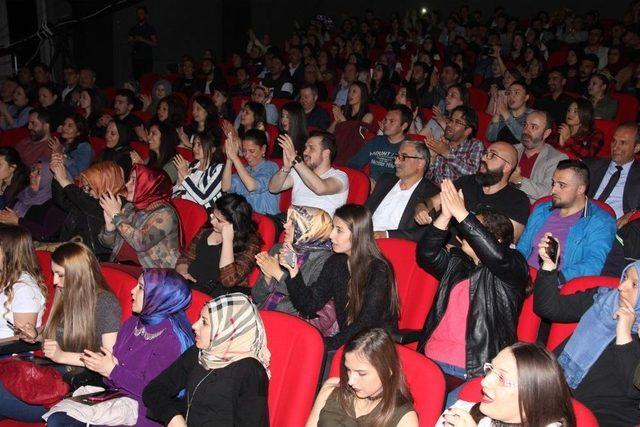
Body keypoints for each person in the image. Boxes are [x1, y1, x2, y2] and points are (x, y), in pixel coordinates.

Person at [416, 180, 528, 399]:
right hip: (430, 358)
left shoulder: (513, 265)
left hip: (471, 369)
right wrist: (446, 215)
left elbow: (496, 256)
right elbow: (426, 254)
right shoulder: (459, 262)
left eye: (472, 228)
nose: (463, 232)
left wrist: (462, 212)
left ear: (493, 239)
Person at [45, 269, 194, 427]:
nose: (133, 291)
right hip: (114, 397)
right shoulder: (133, 322)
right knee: (58, 415)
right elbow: (113, 371)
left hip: (142, 412)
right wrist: (105, 366)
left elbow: (154, 392)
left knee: (60, 422)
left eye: (141, 288)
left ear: (159, 297)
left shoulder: (170, 340)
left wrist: (112, 370)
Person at [0, 242, 121, 422]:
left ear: (79, 274)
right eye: (54, 273)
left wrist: (62, 356)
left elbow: (108, 360)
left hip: (72, 389)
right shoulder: (66, 294)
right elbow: (57, 330)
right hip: (49, 375)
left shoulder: (105, 303)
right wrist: (36, 334)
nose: (55, 281)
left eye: (60, 275)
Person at [534, 248, 640, 425]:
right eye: (625, 278)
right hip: (556, 393)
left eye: (634, 284)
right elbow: (549, 307)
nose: (621, 287)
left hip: (602, 416)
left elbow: (633, 389)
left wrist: (624, 336)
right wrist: (549, 266)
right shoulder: (604, 300)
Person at [142, 292, 270, 426]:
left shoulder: (251, 371)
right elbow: (153, 390)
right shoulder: (199, 353)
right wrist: (173, 417)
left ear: (227, 329)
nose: (194, 326)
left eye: (204, 322)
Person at [284, 204, 399, 350]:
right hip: (348, 341)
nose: (331, 235)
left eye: (339, 230)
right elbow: (310, 305)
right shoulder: (336, 262)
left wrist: (329, 344)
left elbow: (367, 322)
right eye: (333, 228)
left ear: (357, 234)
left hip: (376, 346)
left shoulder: (378, 269)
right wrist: (294, 272)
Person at [517, 160, 617, 281]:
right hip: (522, 279)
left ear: (580, 189)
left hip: (558, 287)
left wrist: (554, 279)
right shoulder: (542, 209)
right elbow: (522, 247)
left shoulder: (601, 221)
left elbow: (594, 264)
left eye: (562, 185)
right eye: (553, 183)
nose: (553, 190)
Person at [415, 141, 531, 243]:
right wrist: (421, 208)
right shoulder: (468, 181)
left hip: (474, 260)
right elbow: (432, 202)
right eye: (486, 153)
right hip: (442, 244)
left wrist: (462, 215)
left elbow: (506, 244)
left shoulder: (518, 200)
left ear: (506, 167)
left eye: (492, 155)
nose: (484, 158)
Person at [438, 342, 576, 427]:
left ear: (532, 395)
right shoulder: (463, 413)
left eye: (502, 378)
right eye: (490, 369)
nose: (484, 381)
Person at [307, 328, 418, 426]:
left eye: (361, 373)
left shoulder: (404, 418)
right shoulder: (331, 388)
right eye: (349, 370)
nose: (350, 381)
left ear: (388, 371)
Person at [253, 205, 333, 318]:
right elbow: (257, 297)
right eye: (287, 220)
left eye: (293, 223)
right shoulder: (279, 248)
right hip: (260, 314)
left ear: (309, 229)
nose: (285, 225)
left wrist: (277, 273)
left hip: (290, 323)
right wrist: (267, 278)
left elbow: (307, 302)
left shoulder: (324, 260)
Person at [175, 193, 262, 297]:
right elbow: (185, 258)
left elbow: (228, 281)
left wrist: (227, 240)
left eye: (219, 220)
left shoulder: (251, 243)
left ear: (234, 224)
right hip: (190, 286)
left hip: (218, 296)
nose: (212, 221)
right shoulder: (207, 229)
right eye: (213, 215)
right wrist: (183, 273)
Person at [99, 164, 181, 268]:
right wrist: (110, 229)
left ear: (148, 186)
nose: (127, 184)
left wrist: (116, 216)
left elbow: (141, 243)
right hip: (120, 264)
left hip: (150, 274)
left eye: (133, 181)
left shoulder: (165, 214)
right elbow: (108, 244)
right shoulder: (130, 207)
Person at [51, 159, 126, 260]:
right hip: (71, 249)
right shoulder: (86, 201)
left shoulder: (118, 203)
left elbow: (92, 206)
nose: (87, 192)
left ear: (105, 183)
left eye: (90, 187)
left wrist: (63, 180)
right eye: (85, 187)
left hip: (92, 259)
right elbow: (62, 201)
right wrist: (57, 176)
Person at [366, 140, 438, 241]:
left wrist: (386, 235)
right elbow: (365, 210)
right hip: (363, 237)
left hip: (393, 245)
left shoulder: (431, 194)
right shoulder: (386, 180)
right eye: (397, 156)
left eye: (403, 157)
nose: (396, 162)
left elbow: (423, 233)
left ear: (420, 163)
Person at [268, 131, 348, 217]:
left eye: (311, 148)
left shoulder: (340, 176)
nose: (305, 152)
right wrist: (286, 167)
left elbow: (320, 188)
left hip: (318, 226)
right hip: (292, 221)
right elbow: (273, 188)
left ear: (326, 153)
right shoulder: (298, 171)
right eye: (305, 148)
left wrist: (295, 158)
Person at [584, 122, 640, 222]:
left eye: (623, 143)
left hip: (614, 228)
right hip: (582, 219)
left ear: (636, 148)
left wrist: (633, 213)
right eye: (614, 141)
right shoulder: (591, 166)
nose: (615, 147)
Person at [0, 225, 47, 341]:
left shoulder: (24, 289)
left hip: (8, 354)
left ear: (10, 253)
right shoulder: (4, 277)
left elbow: (22, 340)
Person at [511, 110, 569, 202]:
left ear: (546, 133)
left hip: (530, 210)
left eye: (533, 127)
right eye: (525, 125)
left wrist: (519, 180)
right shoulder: (512, 150)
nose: (526, 130)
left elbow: (548, 192)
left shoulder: (557, 159)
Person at [0, 160, 65, 241]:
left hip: (26, 246)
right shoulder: (23, 193)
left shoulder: (56, 205)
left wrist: (18, 221)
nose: (31, 174)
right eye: (33, 170)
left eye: (38, 172)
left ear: (48, 177)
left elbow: (45, 235)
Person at [347, 105, 413, 182]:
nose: (386, 124)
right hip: (369, 185)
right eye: (385, 120)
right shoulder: (376, 141)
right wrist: (365, 180)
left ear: (404, 126)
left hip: (392, 190)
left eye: (391, 121)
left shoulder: (410, 148)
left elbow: (408, 180)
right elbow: (353, 164)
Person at [221, 128, 280, 215]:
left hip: (267, 219)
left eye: (252, 151)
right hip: (246, 219)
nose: (247, 155)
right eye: (244, 151)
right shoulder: (245, 169)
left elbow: (252, 186)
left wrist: (235, 158)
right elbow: (225, 187)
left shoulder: (271, 167)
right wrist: (229, 159)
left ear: (263, 149)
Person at [424, 106, 484, 186]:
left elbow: (472, 175)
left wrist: (446, 153)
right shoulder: (441, 143)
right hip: (434, 191)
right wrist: (432, 158)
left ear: (467, 131)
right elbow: (427, 179)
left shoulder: (475, 145)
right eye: (451, 120)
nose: (449, 124)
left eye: (457, 122)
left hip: (458, 195)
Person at [172, 131, 224, 209]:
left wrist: (185, 176)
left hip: (206, 215)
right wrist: (180, 180)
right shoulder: (192, 167)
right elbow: (176, 194)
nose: (194, 148)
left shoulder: (218, 168)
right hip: (185, 209)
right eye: (194, 144)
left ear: (212, 149)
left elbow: (203, 198)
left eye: (199, 145)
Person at [486, 81, 531, 145]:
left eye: (516, 92)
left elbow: (524, 139)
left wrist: (506, 114)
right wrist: (497, 114)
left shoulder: (532, 116)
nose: (511, 96)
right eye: (509, 93)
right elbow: (490, 137)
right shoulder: (502, 113)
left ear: (526, 97)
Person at [49, 114, 94, 179]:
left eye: (70, 126)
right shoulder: (63, 145)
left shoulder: (85, 147)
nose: (64, 128)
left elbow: (78, 174)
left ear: (79, 132)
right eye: (64, 124)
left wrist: (60, 154)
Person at [128, 6, 158, 81]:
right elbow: (129, 41)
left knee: (148, 78)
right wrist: (135, 39)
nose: (139, 15)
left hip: (147, 58)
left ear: (146, 15)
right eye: (138, 14)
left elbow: (155, 43)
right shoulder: (133, 28)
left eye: (141, 13)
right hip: (136, 58)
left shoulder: (150, 28)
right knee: (137, 79)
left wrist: (143, 40)